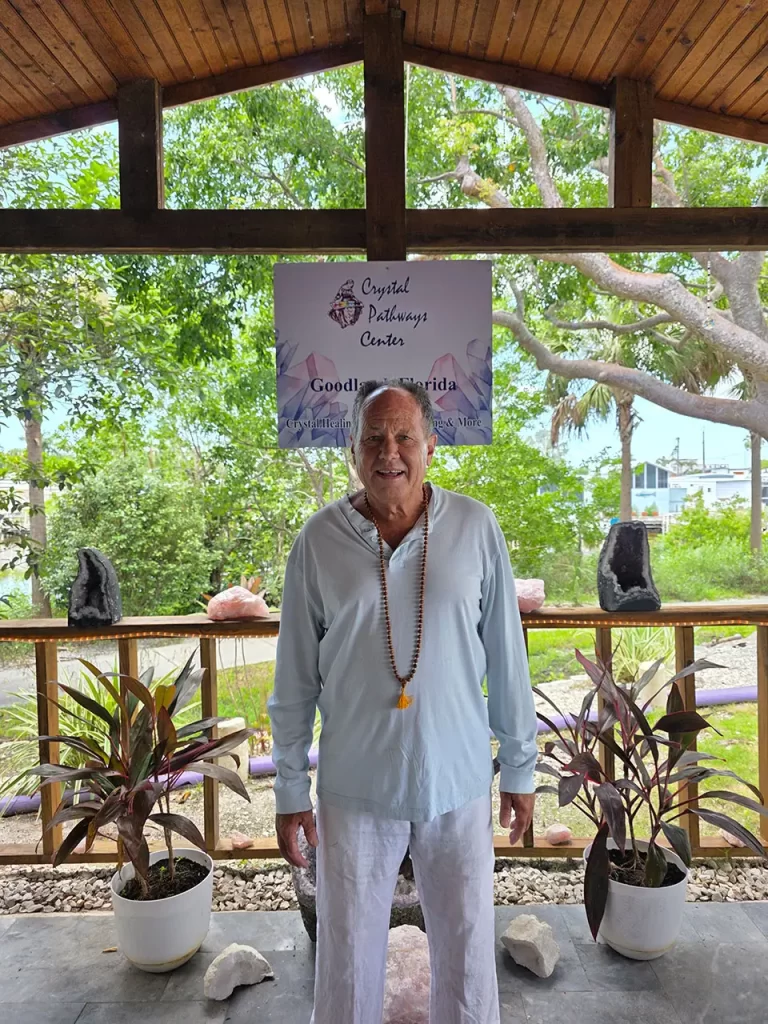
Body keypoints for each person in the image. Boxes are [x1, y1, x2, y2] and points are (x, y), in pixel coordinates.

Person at [268, 379, 538, 1024]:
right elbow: (294, 679)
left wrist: (520, 768)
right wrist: (289, 787)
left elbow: (507, 658)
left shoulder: (475, 526)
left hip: (458, 778)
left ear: (431, 446)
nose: (389, 451)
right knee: (346, 962)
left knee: (468, 955)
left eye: (404, 436)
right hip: (355, 786)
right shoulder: (317, 541)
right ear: (352, 450)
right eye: (373, 438)